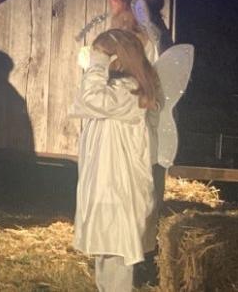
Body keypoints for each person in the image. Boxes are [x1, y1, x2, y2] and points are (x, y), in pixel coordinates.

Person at [71, 29, 160, 292]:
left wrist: (97, 62)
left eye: (105, 56)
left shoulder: (129, 91)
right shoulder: (121, 88)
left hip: (118, 189)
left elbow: (89, 98)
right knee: (105, 252)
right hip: (107, 185)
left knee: (115, 254)